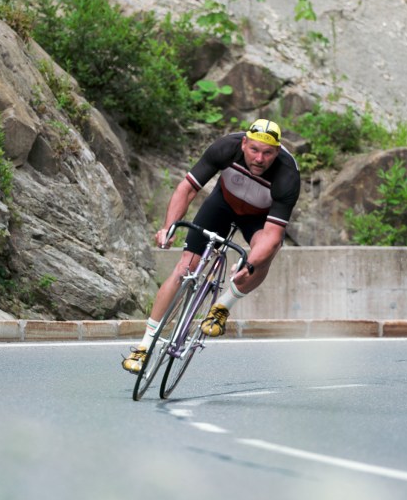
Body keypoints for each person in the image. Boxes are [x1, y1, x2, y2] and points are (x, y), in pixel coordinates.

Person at [122, 119, 301, 373]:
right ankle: (144, 346)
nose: (259, 159)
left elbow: (271, 236)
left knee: (267, 253)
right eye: (254, 150)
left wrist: (250, 264)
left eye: (267, 153)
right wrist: (168, 228)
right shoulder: (225, 148)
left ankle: (223, 306)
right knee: (184, 268)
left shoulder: (287, 174)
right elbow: (187, 189)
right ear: (244, 143)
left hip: (258, 218)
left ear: (277, 151)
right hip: (223, 204)